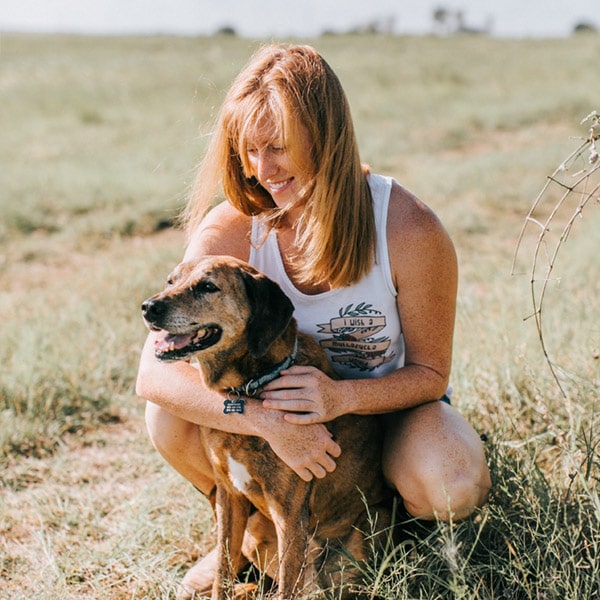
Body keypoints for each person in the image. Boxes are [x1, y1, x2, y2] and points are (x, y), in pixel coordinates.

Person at [136, 43, 491, 597]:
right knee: (169, 417)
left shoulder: (407, 228)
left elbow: (429, 374)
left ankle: (381, 523)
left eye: (277, 148)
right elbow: (152, 375)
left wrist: (340, 400)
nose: (262, 171)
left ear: (326, 137)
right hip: (271, 410)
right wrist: (261, 421)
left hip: (383, 408)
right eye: (248, 150)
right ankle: (249, 532)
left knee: (451, 479)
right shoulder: (232, 230)